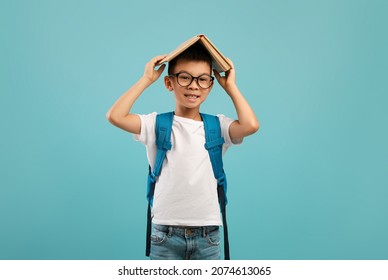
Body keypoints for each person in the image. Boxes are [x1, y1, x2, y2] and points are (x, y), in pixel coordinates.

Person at [106, 42, 259, 260]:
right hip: (165, 234)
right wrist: (146, 79)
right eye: (185, 77)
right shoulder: (155, 124)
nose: (194, 86)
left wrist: (231, 87)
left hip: (208, 235)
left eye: (203, 79)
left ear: (211, 84)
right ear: (169, 83)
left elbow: (251, 125)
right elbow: (116, 116)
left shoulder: (218, 126)